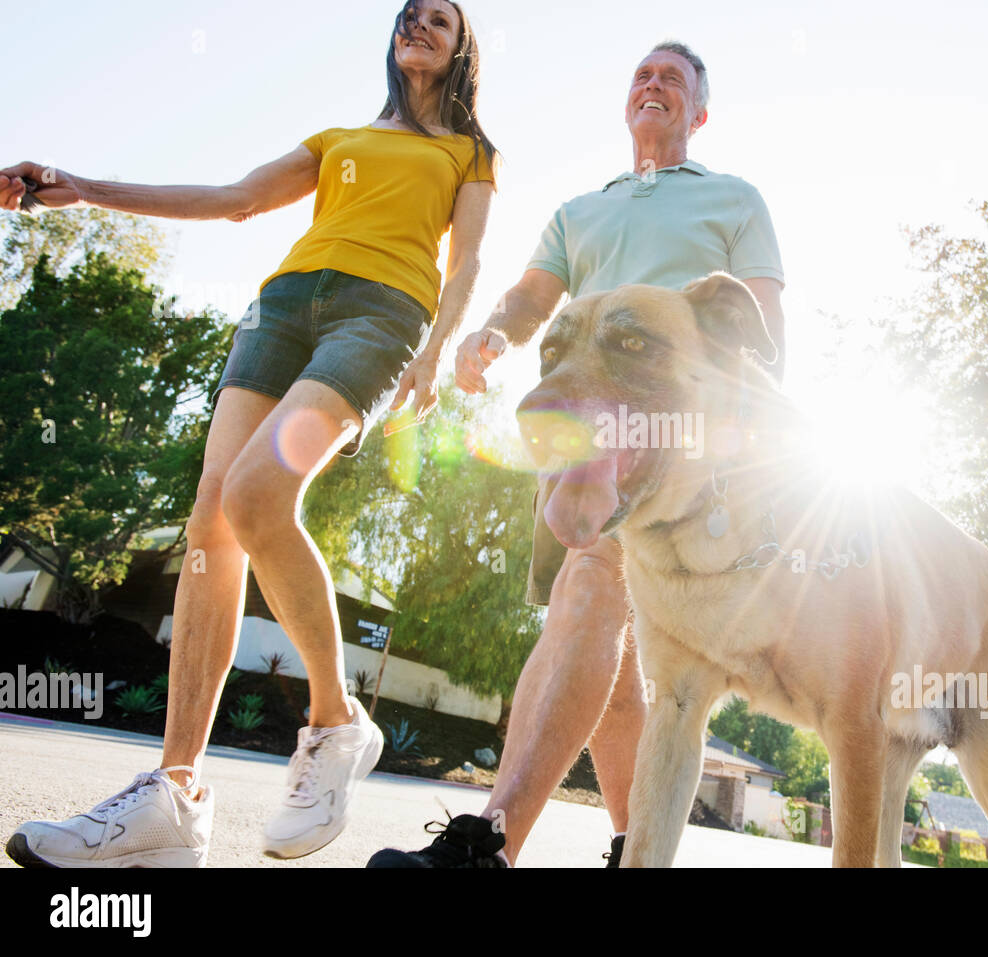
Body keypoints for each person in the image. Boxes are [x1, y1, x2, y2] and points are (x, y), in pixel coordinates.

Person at [2, 0, 497, 868]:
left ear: (461, 49)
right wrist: (83, 187)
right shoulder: (338, 135)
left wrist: (438, 349)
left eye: (440, 20)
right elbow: (231, 200)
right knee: (209, 526)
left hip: (379, 316)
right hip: (280, 308)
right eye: (408, 14)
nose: (419, 23)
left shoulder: (469, 151)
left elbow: (469, 262)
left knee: (259, 493)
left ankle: (337, 716)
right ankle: (175, 794)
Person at [368, 40, 785, 868]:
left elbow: (765, 337)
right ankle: (635, 847)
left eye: (673, 78)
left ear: (699, 112)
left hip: (669, 433)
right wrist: (493, 333)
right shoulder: (580, 211)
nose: (652, 84)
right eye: (641, 74)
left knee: (591, 589)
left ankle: (490, 840)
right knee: (598, 642)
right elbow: (532, 295)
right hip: (572, 414)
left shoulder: (735, 200)